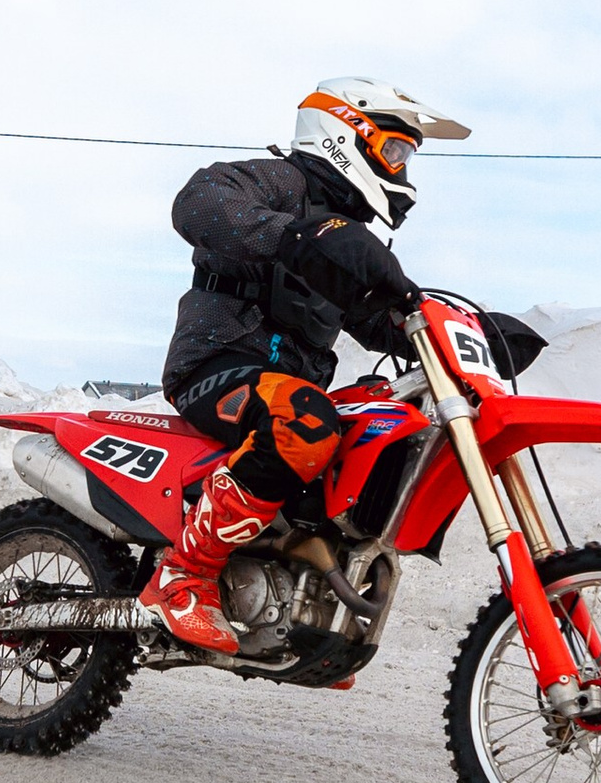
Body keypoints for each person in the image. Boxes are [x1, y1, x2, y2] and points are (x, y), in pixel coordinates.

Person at [141, 80, 465, 655]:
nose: (400, 168)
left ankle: (303, 603)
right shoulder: (281, 183)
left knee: (377, 427)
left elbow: (373, 318)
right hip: (215, 365)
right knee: (306, 419)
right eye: (394, 150)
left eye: (406, 157)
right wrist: (292, 236)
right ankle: (182, 576)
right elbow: (198, 203)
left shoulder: (345, 236)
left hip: (288, 385)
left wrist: (458, 330)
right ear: (347, 132)